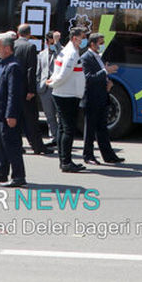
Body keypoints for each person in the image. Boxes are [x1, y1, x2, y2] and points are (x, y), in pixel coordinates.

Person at [0, 32, 26, 188]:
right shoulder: (3, 63)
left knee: (12, 145)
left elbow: (14, 94)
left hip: (7, 114)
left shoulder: (13, 66)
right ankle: (1, 172)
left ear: (7, 48)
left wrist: (11, 114)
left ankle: (18, 176)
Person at [45, 26, 87, 173]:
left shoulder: (66, 50)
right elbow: (63, 74)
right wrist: (53, 84)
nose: (84, 40)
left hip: (64, 93)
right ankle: (66, 162)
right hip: (67, 94)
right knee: (68, 129)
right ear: (75, 38)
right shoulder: (71, 53)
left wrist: (52, 82)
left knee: (63, 128)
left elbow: (58, 71)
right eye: (83, 37)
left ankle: (64, 160)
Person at [80, 32, 123, 165]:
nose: (103, 45)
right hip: (92, 98)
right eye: (101, 43)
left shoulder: (99, 57)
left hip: (102, 96)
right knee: (90, 128)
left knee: (102, 128)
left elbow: (101, 75)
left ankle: (108, 155)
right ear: (92, 44)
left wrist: (107, 83)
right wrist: (105, 71)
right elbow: (88, 78)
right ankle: (88, 155)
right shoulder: (86, 57)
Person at [12, 24, 48, 156]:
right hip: (25, 89)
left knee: (16, 118)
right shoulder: (31, 47)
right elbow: (31, 70)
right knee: (31, 119)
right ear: (29, 33)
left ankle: (18, 146)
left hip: (13, 88)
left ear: (17, 33)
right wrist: (31, 90)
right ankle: (38, 147)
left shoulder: (12, 45)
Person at [37, 30, 62, 142]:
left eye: (53, 43)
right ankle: (54, 137)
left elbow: (62, 57)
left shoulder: (61, 51)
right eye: (50, 43)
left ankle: (61, 138)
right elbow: (38, 71)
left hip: (58, 88)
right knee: (49, 115)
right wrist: (38, 84)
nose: (51, 46)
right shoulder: (41, 54)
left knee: (61, 116)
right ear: (46, 42)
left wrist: (57, 44)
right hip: (44, 89)